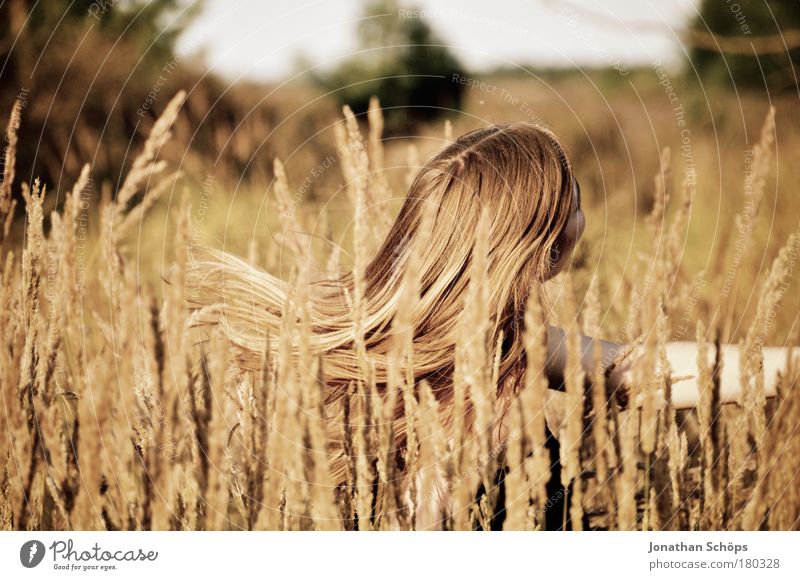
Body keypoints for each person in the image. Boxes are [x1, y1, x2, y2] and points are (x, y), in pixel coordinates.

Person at [191, 122, 787, 529]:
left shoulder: (493, 337)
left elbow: (635, 370)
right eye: (569, 195)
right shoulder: (464, 410)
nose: (581, 207)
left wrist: (784, 368)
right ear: (536, 238)